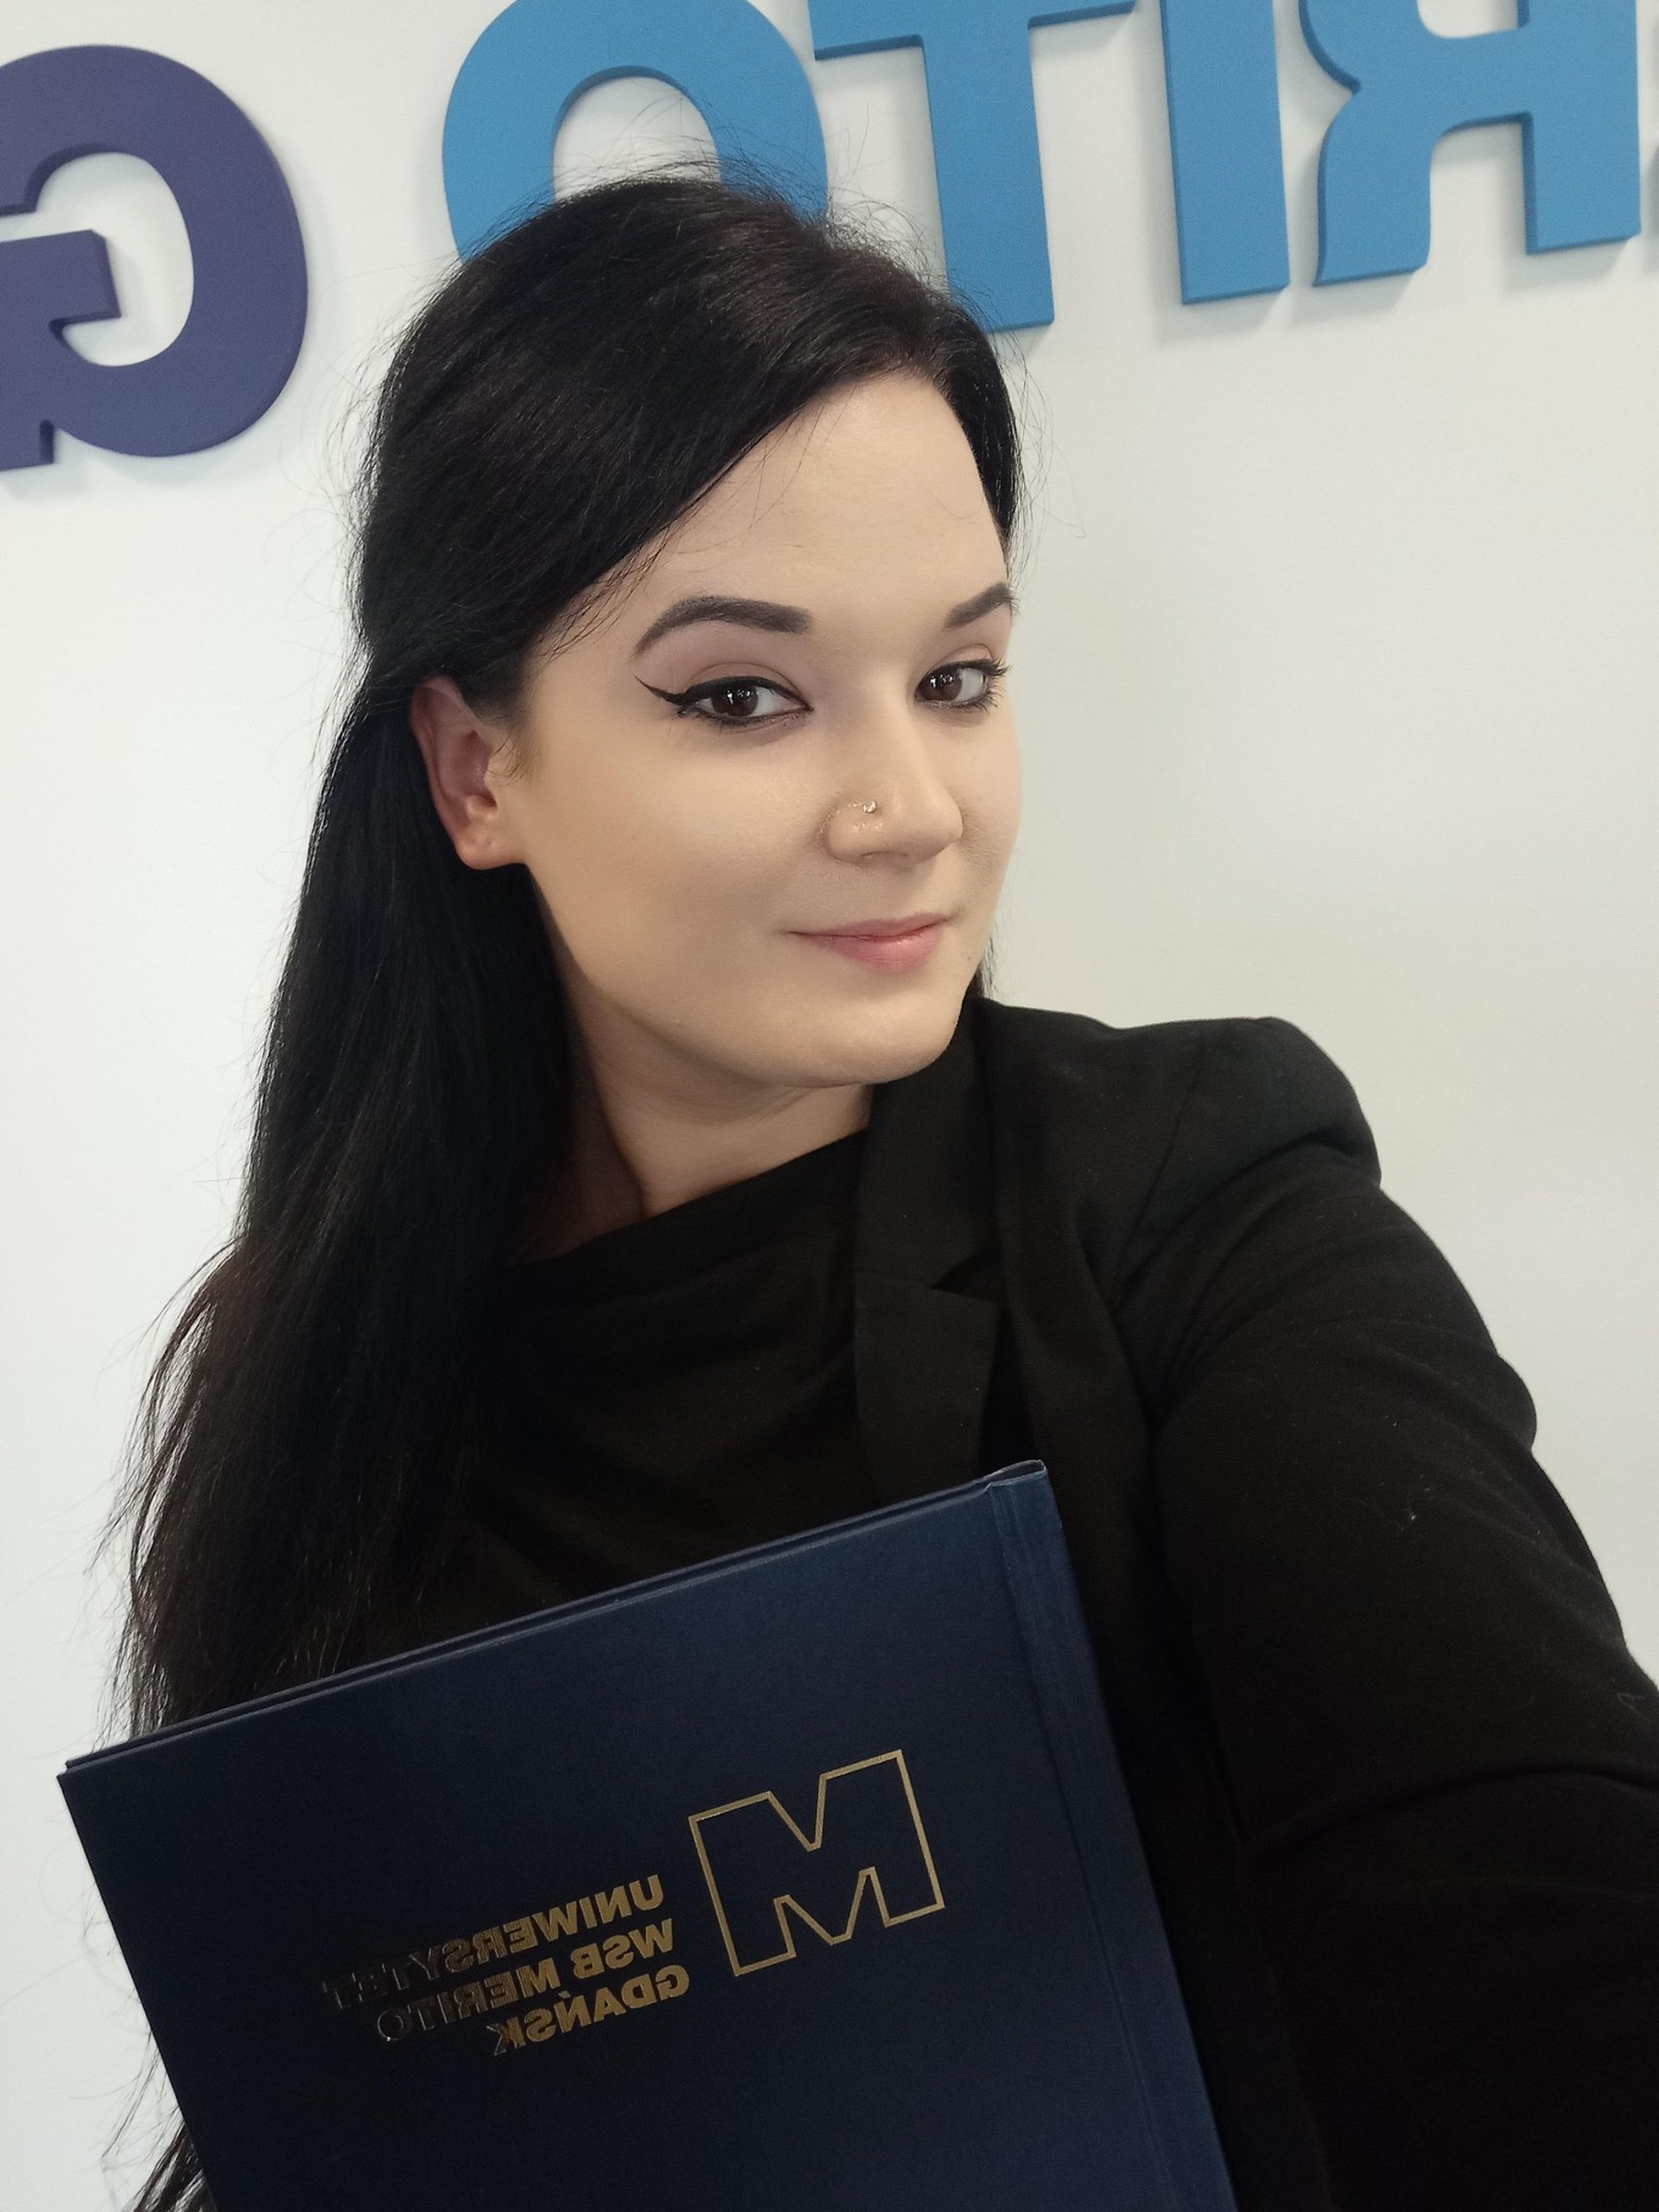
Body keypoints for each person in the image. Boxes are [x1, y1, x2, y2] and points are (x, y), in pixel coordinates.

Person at [112, 168, 1659, 2212]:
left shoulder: (1201, 1209)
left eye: (958, 676)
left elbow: (1534, 1915)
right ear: (476, 768)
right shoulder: (316, 1368)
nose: (911, 808)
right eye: (744, 694)